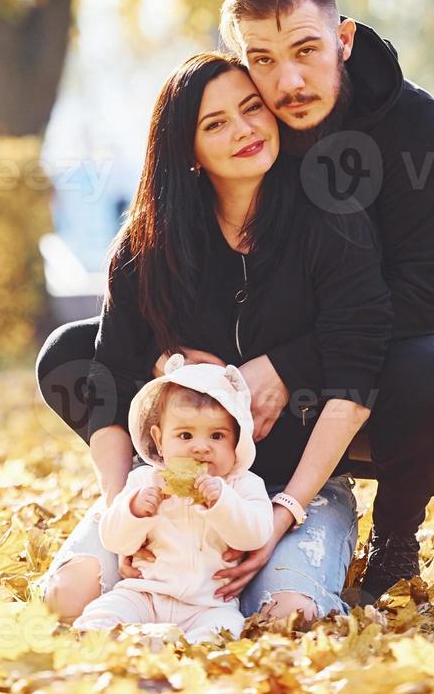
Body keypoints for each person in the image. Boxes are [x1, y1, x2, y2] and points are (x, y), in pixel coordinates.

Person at [39, 0, 434, 608]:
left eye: (306, 50)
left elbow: (424, 291)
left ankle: (393, 537)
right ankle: (170, 485)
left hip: (377, 350)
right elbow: (210, 264)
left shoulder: (412, 125)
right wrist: (182, 366)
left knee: (431, 370)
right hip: (250, 337)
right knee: (76, 351)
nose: (288, 82)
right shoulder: (253, 126)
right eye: (263, 62)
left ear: (344, 38)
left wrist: (286, 365)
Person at [38, 53, 394, 628]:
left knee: (285, 619)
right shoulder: (146, 245)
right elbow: (110, 375)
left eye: (252, 109)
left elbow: (356, 374)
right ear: (188, 150)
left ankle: (274, 584)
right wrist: (121, 509)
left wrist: (280, 517)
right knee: (68, 600)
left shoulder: (329, 220)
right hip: (171, 493)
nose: (244, 129)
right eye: (215, 123)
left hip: (290, 487)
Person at [73, 356, 275, 643]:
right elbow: (114, 540)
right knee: (105, 612)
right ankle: (100, 642)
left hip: (209, 604)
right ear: (158, 440)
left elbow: (255, 536)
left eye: (217, 436)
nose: (201, 448)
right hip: (144, 593)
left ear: (237, 441)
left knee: (224, 630)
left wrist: (222, 503)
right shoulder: (144, 482)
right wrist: (134, 511)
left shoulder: (243, 486)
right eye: (185, 435)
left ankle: (188, 651)